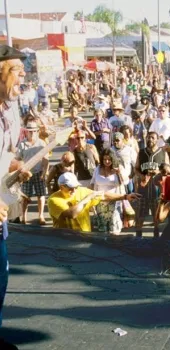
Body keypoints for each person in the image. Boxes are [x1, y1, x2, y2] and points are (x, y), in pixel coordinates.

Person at [0, 44, 32, 350]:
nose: (21, 77)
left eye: (23, 71)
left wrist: (16, 165)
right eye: (14, 71)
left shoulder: (11, 109)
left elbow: (3, 156)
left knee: (0, 277)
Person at [16, 121, 49, 225]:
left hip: (38, 172)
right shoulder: (22, 144)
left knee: (41, 195)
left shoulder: (42, 143)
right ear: (27, 132)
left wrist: (45, 172)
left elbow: (46, 159)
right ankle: (24, 217)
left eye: (34, 131)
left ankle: (41, 216)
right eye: (30, 131)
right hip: (26, 174)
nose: (32, 133)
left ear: (37, 131)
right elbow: (18, 159)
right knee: (25, 196)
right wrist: (20, 174)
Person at [90, 148, 129, 234]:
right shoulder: (97, 169)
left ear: (113, 159)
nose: (107, 161)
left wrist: (119, 173)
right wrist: (91, 200)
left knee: (114, 230)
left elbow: (125, 182)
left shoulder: (119, 168)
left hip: (115, 202)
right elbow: (92, 183)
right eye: (104, 159)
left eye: (109, 159)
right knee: (102, 230)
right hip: (100, 203)